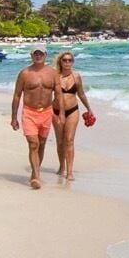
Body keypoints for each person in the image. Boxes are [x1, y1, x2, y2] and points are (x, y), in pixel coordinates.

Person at [9, 47, 59, 189]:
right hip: (29, 112)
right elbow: (17, 95)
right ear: (31, 55)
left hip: (47, 112)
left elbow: (59, 94)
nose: (38, 56)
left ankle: (35, 172)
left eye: (41, 54)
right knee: (33, 144)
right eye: (36, 54)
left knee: (42, 144)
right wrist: (14, 117)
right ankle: (36, 176)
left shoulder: (53, 73)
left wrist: (60, 113)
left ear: (45, 55)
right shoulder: (25, 74)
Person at [51, 49, 92, 186]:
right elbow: (45, 93)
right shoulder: (55, 76)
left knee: (69, 140)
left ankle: (69, 171)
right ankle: (61, 166)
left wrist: (89, 109)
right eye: (65, 60)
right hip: (56, 111)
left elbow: (81, 94)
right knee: (60, 141)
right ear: (60, 62)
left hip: (73, 111)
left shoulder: (77, 77)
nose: (67, 62)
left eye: (70, 60)